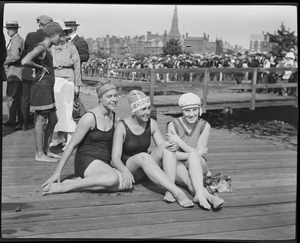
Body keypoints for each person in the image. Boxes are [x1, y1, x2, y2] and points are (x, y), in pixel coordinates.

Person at [42, 82, 130, 195]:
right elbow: (72, 144)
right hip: (86, 160)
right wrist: (57, 172)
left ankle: (82, 182)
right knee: (112, 179)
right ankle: (67, 186)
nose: (114, 99)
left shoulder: (113, 116)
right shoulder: (89, 117)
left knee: (125, 184)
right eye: (109, 96)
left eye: (115, 95)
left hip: (104, 163)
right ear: (100, 98)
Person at [111, 90, 195, 208]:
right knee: (144, 156)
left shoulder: (152, 123)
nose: (147, 112)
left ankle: (169, 189)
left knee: (167, 145)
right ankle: (177, 192)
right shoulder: (122, 126)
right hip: (128, 168)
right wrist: (124, 171)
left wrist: (175, 148)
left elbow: (164, 149)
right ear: (134, 110)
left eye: (149, 108)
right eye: (143, 109)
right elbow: (115, 158)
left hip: (145, 167)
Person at [165, 93, 224, 210]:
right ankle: (206, 196)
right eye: (187, 110)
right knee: (188, 179)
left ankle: (201, 195)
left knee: (194, 157)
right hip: (178, 163)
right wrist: (196, 153)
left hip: (199, 164)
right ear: (182, 110)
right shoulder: (173, 125)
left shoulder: (205, 126)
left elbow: (198, 155)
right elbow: (172, 154)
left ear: (199, 109)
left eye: (194, 110)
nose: (191, 114)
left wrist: (181, 143)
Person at [21, 22, 63, 163]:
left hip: (47, 87)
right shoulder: (41, 47)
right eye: (59, 36)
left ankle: (46, 150)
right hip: (41, 87)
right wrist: (40, 67)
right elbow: (25, 60)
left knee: (53, 119)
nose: (60, 39)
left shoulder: (48, 48)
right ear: (51, 35)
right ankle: (39, 154)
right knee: (41, 120)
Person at [50, 20, 82, 150]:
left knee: (68, 110)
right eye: (59, 35)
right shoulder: (51, 48)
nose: (62, 37)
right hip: (55, 80)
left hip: (68, 79)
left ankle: (70, 139)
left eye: (64, 34)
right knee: (57, 110)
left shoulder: (71, 47)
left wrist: (77, 84)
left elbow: (77, 66)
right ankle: (59, 137)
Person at [19, 15, 53, 131]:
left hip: (28, 71)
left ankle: (24, 123)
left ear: (39, 24)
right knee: (41, 97)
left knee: (25, 97)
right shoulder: (49, 39)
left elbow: (24, 54)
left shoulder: (30, 35)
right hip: (42, 72)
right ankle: (39, 121)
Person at [3, 20, 24, 128]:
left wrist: (4, 61)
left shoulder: (16, 40)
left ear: (15, 29)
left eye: (10, 28)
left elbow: (15, 56)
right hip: (13, 72)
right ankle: (13, 119)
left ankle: (13, 120)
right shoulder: (14, 40)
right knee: (12, 97)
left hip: (15, 72)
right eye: (7, 28)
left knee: (11, 98)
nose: (7, 31)